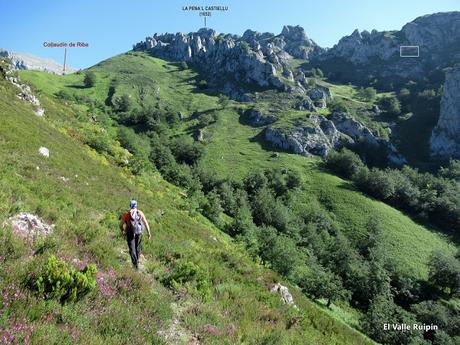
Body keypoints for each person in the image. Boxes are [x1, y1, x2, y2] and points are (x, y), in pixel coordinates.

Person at [119, 200, 151, 269]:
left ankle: (135, 264)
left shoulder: (126, 214)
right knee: (138, 247)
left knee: (132, 249)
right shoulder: (140, 213)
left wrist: (123, 231)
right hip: (139, 233)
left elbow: (121, 225)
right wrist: (149, 233)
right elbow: (145, 223)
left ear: (130, 205)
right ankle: (137, 260)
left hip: (130, 233)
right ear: (136, 205)